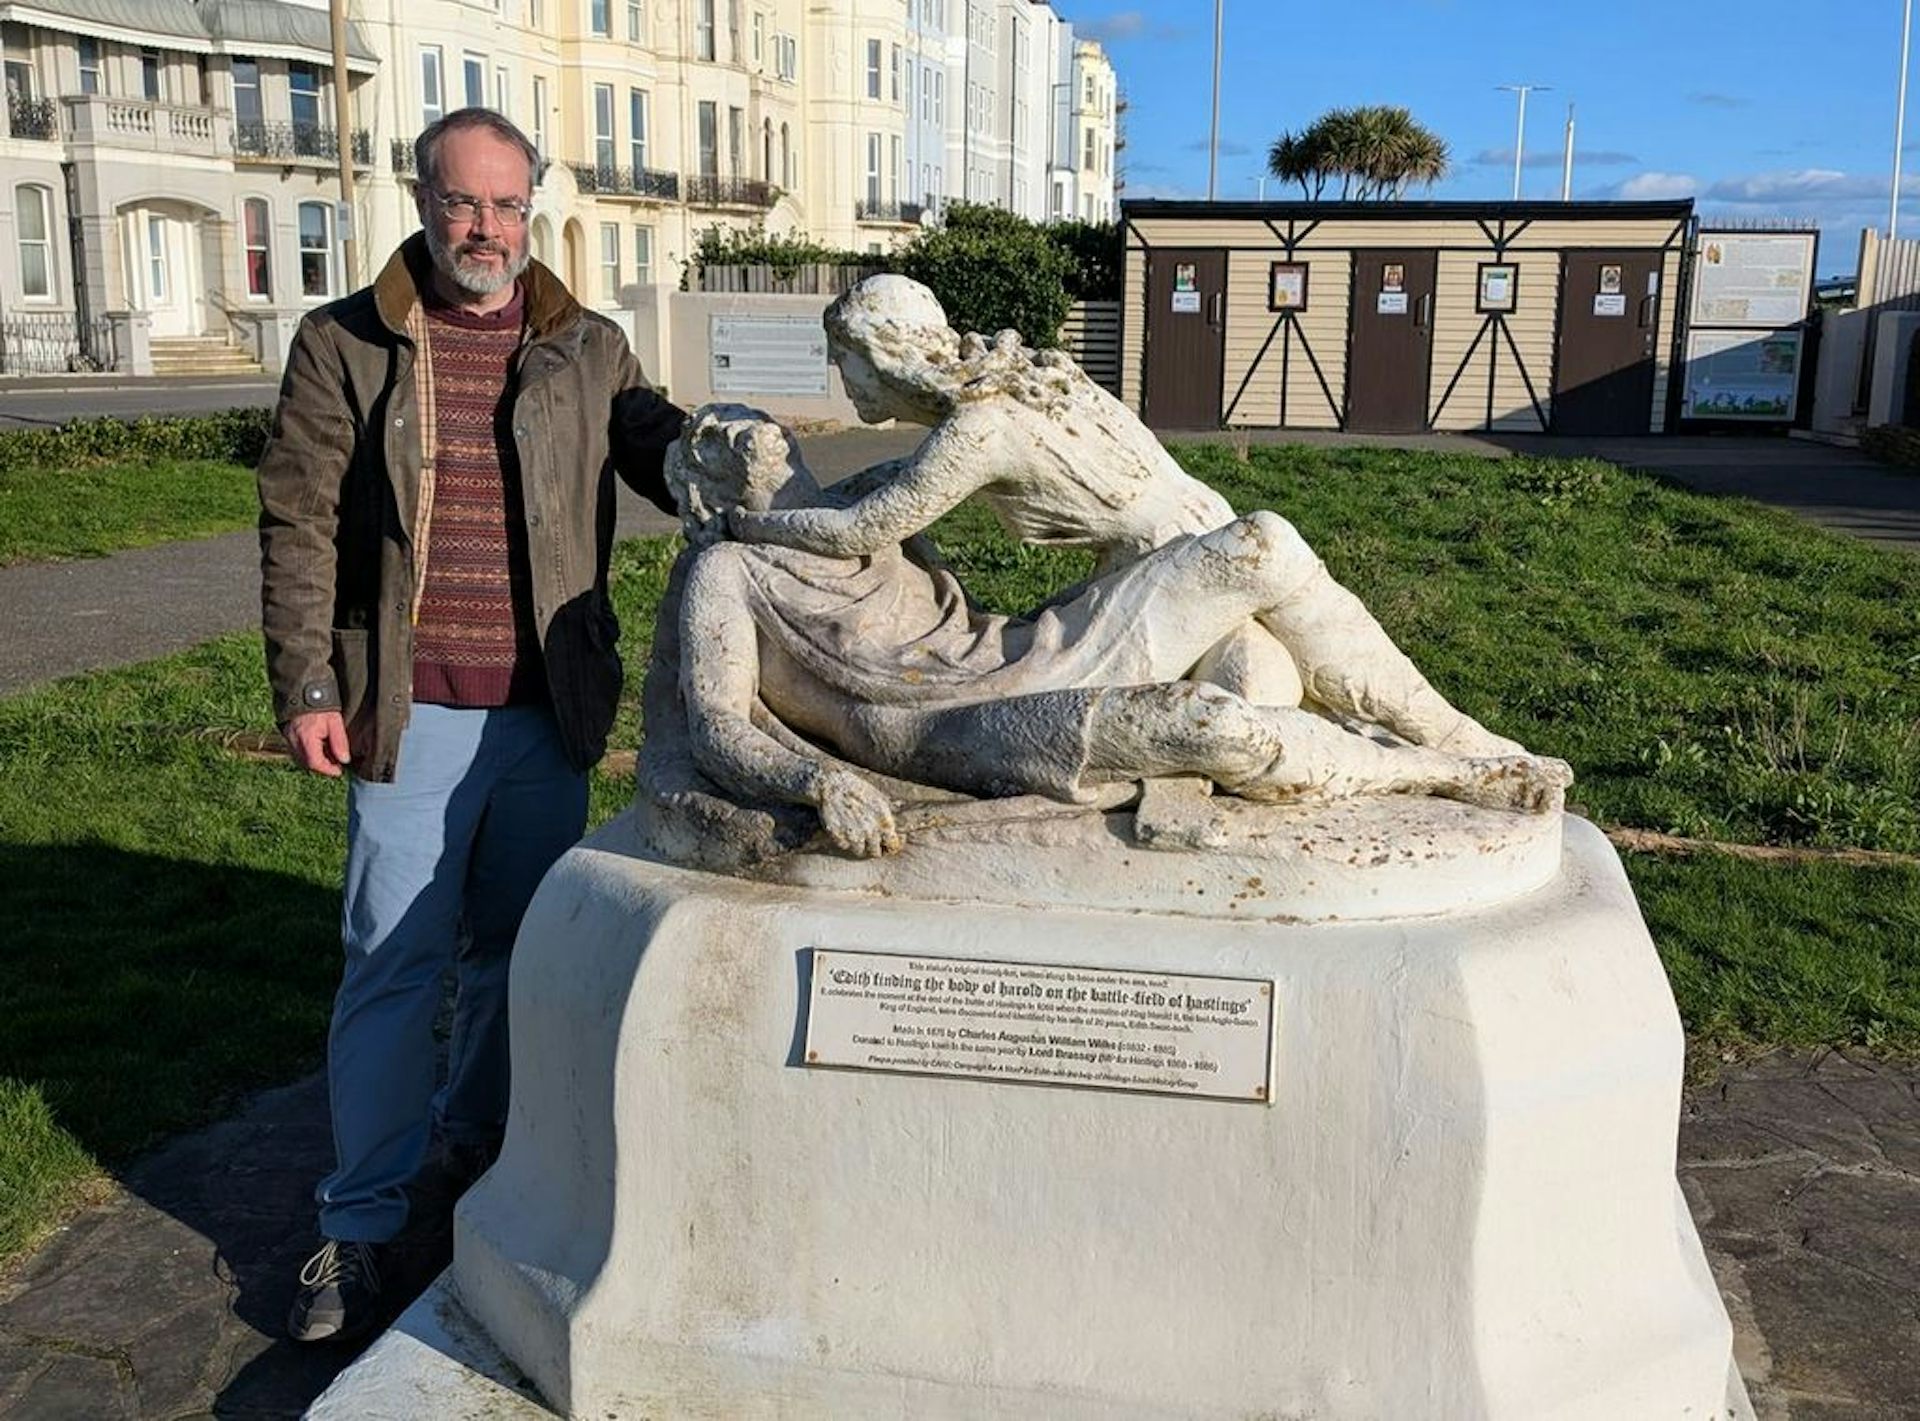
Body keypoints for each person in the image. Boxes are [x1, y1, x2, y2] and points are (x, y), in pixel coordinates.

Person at [256, 107, 685, 1343]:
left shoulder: (586, 347)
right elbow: (298, 524)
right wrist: (307, 685)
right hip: (410, 709)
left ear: (530, 206)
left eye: (505, 204)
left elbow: (660, 449)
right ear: (423, 200)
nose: (484, 228)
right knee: (391, 963)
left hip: (544, 711)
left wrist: (740, 462)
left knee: (515, 951)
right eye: (461, 203)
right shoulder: (345, 345)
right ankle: (362, 1219)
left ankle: (478, 1152)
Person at [666, 406, 1569, 858]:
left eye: (759, 428)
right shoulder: (727, 573)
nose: (758, 440)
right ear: (702, 491)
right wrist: (819, 780)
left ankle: (1454, 733)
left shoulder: (863, 510)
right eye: (724, 441)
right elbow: (715, 728)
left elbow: (987, 444)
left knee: (1260, 544)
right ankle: (1452, 777)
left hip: (1027, 651)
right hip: (942, 730)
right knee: (1207, 725)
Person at [726, 276, 1520, 758]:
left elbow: (871, 525)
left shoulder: (981, 428)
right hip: (1172, 561)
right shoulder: (1030, 377)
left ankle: (1450, 735)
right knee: (1262, 689)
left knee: (1270, 551)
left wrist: (754, 527)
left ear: (884, 356)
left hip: (1179, 569)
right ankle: (1447, 740)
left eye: (846, 363)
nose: (843, 382)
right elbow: (899, 481)